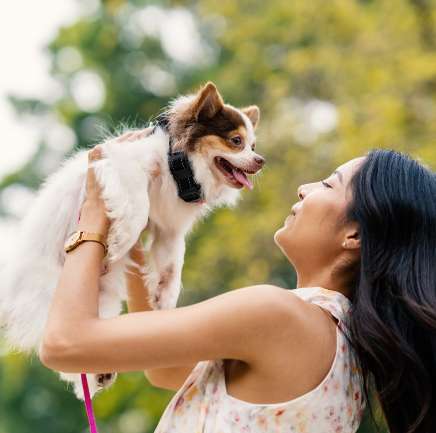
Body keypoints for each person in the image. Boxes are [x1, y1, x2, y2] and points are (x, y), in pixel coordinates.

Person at [41, 127, 436, 433]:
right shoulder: (341, 355)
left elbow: (64, 344)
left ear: (356, 236)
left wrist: (95, 211)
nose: (305, 187)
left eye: (329, 184)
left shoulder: (277, 316)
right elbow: (165, 371)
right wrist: (132, 245)